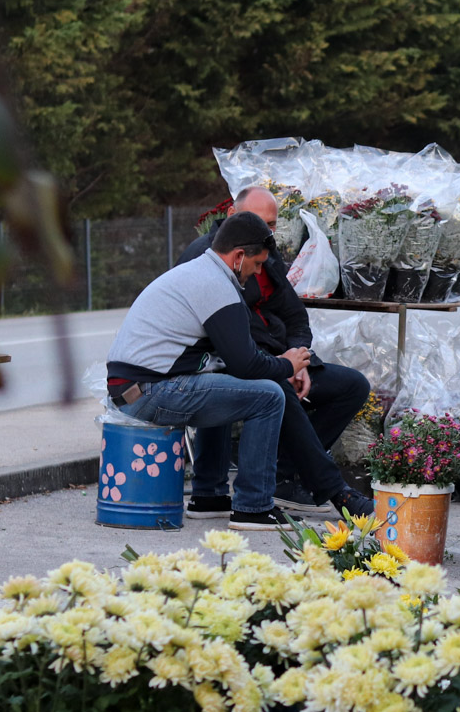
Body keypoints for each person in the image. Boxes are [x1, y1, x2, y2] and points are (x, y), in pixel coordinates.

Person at [107, 212, 314, 530]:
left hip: (133, 389)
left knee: (226, 386)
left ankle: (209, 497)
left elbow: (235, 362)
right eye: (257, 264)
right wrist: (288, 365)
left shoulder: (199, 272)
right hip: (148, 392)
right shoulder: (216, 286)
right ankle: (253, 508)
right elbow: (247, 365)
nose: (258, 272)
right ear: (238, 256)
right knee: (269, 396)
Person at [181, 186, 372, 516]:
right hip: (236, 364)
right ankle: (334, 490)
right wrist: (283, 366)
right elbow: (230, 337)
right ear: (231, 216)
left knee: (352, 386)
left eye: (271, 225)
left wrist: (299, 359)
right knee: (275, 389)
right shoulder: (205, 258)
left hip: (278, 359)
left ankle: (284, 477)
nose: (266, 232)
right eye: (258, 222)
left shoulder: (266, 256)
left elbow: (295, 315)